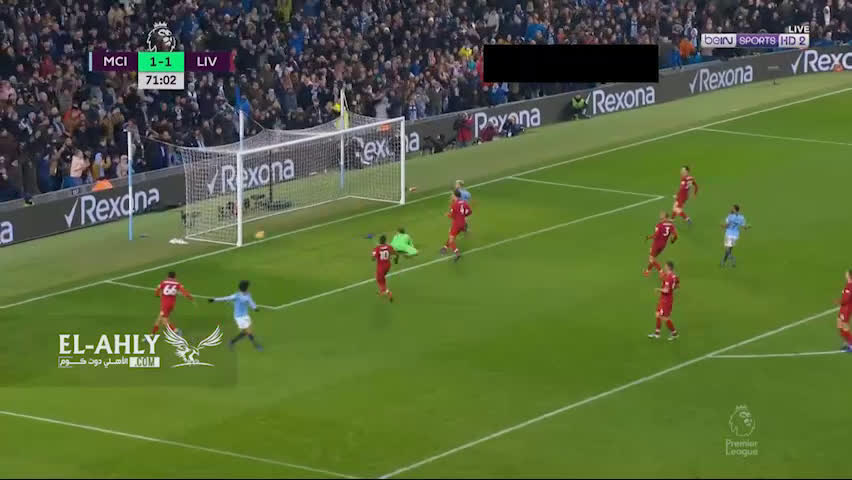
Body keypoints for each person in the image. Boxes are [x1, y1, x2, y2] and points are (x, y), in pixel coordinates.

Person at [208, 280, 263, 351]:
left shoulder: (247, 295)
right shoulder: (237, 296)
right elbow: (225, 298)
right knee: (248, 332)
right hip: (239, 317)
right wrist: (214, 300)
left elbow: (251, 302)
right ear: (246, 288)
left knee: (245, 332)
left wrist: (255, 308)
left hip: (245, 316)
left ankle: (232, 342)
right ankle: (256, 345)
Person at [154, 271, 194, 335]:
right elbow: (184, 292)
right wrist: (190, 298)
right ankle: (152, 334)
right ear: (175, 276)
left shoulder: (164, 282)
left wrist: (157, 295)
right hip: (172, 303)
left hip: (165, 304)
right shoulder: (177, 283)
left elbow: (157, 289)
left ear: (167, 276)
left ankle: (176, 331)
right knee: (159, 319)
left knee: (164, 321)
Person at [649, 261, 680, 340]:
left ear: (669, 267)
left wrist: (658, 289)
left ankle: (674, 333)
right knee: (657, 314)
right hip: (665, 298)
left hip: (666, 300)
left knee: (665, 318)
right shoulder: (674, 276)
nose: (664, 267)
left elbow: (666, 290)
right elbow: (677, 285)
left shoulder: (669, 278)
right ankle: (657, 333)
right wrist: (672, 289)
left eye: (665, 266)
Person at [442, 189, 472, 261]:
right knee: (452, 235)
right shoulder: (464, 203)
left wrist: (448, 215)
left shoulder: (454, 205)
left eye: (452, 195)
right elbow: (470, 212)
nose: (451, 196)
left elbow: (453, 216)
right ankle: (445, 248)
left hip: (456, 224)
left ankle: (457, 253)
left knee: (451, 239)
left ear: (455, 196)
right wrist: (463, 216)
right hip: (463, 223)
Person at [644, 211, 677, 276]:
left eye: (662, 215)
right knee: (653, 258)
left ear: (666, 217)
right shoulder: (671, 225)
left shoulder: (659, 225)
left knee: (651, 259)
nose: (660, 216)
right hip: (663, 245)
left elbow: (656, 235)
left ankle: (661, 271)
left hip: (656, 244)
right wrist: (673, 240)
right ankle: (648, 270)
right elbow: (675, 235)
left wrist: (649, 237)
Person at [372, 235, 398, 302]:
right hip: (388, 266)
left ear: (379, 241)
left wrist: (374, 253)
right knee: (382, 279)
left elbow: (373, 259)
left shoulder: (377, 248)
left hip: (381, 267)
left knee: (379, 279)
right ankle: (382, 291)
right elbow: (396, 254)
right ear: (385, 240)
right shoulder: (389, 246)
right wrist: (396, 261)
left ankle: (388, 292)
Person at [836, 270, 852, 352]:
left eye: (847, 273)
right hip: (844, 307)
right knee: (839, 324)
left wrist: (839, 301)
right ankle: (846, 342)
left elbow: (846, 299)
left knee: (845, 326)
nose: (845, 274)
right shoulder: (848, 284)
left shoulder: (850, 286)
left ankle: (851, 344)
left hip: (846, 308)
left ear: (849, 276)